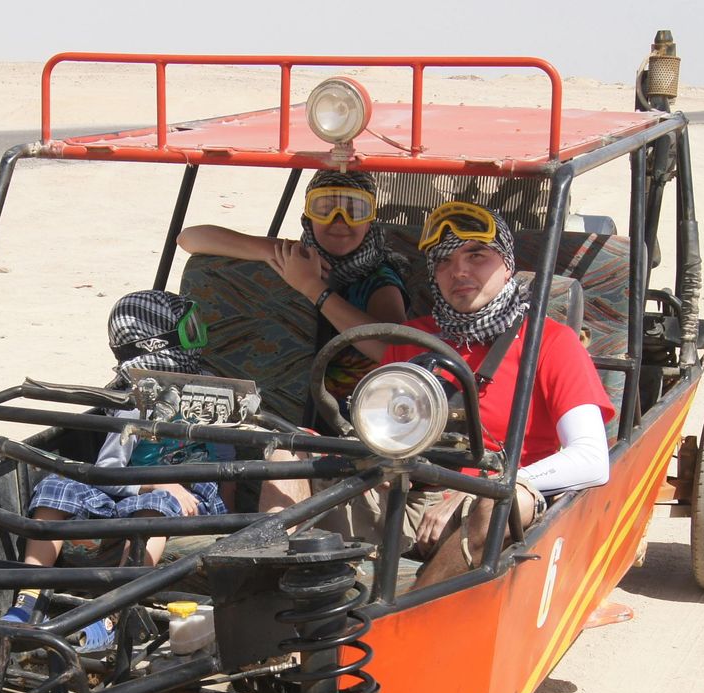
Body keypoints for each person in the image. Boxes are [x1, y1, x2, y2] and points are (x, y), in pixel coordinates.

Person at [384, 200, 614, 586]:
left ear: (507, 264)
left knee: (503, 504)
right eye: (443, 260)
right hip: (404, 493)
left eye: (476, 255)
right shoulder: (410, 341)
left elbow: (592, 459)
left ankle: (412, 622)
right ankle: (269, 622)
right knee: (287, 455)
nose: (458, 270)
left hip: (486, 504)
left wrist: (483, 488)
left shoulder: (551, 342)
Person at [1, 291, 227, 641]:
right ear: (156, 344)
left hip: (192, 498)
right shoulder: (132, 403)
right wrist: (153, 484)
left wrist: (224, 514)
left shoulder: (212, 391)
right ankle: (28, 598)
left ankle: (111, 613)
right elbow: (109, 470)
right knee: (56, 483)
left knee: (155, 509)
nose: (197, 342)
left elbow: (227, 456)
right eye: (188, 332)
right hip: (134, 489)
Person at [177, 168, 407, 418]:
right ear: (308, 217)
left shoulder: (380, 281)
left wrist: (313, 288)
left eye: (356, 210)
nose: (340, 220)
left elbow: (392, 352)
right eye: (325, 208)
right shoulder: (296, 258)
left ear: (370, 221)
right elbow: (189, 238)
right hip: (280, 405)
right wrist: (272, 250)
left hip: (354, 416)